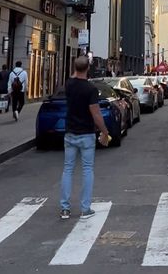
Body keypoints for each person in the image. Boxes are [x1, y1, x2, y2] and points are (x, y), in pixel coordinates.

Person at [60, 55, 110, 220]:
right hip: (86, 133)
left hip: (70, 132)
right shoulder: (90, 89)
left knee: (68, 169)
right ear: (88, 68)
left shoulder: (68, 84)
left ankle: (65, 209)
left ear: (74, 68)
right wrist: (104, 131)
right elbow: (95, 113)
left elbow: (74, 77)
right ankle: (85, 209)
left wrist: (77, 69)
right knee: (87, 170)